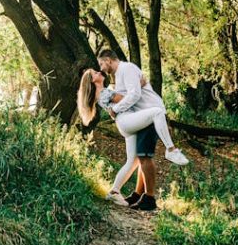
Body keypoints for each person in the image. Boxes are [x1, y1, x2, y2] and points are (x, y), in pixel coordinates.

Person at [77, 50, 189, 210]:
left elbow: (123, 95)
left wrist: (134, 88)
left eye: (99, 66)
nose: (99, 70)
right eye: (95, 71)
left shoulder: (105, 90)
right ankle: (171, 149)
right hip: (126, 121)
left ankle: (114, 191)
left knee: (133, 161)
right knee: (157, 113)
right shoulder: (103, 92)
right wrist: (140, 85)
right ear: (92, 80)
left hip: (126, 123)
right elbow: (126, 98)